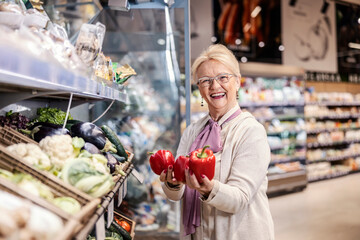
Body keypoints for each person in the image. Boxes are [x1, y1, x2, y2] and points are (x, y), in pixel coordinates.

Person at [160, 44, 274, 240]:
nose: (215, 86)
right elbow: (175, 195)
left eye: (223, 78)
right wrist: (172, 184)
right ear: (200, 89)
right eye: (205, 81)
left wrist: (209, 188)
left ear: (237, 82)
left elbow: (240, 198)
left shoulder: (251, 132)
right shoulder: (192, 132)